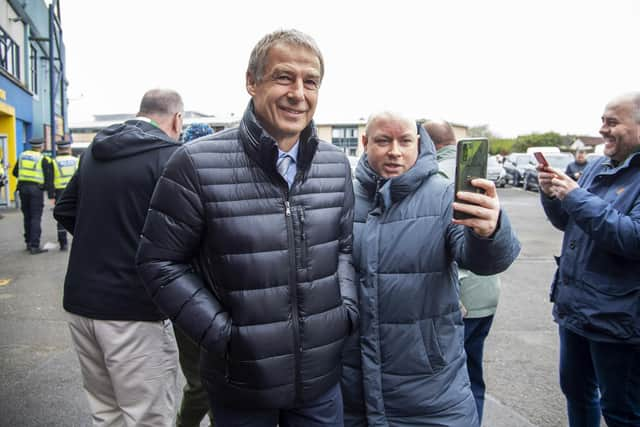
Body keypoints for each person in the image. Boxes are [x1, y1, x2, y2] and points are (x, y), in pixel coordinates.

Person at [136, 29, 358, 427]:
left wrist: (345, 313)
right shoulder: (196, 164)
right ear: (251, 82)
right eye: (284, 77)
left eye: (311, 82)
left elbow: (343, 248)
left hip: (319, 383)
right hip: (240, 383)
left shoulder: (335, 165)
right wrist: (224, 335)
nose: (299, 93)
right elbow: (160, 262)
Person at [341, 112, 520, 427]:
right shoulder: (342, 198)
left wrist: (489, 232)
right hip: (352, 388)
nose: (395, 151)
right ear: (365, 143)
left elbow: (483, 261)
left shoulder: (442, 195)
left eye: (405, 141)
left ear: (419, 144)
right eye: (383, 141)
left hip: (429, 390)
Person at [53, 89, 184, 426]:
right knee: (149, 417)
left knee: (106, 412)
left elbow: (66, 209)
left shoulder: (96, 151)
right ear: (176, 120)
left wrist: (103, 241)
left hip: (81, 303)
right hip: (135, 310)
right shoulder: (170, 156)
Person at [537, 92, 640, 426]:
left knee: (622, 410)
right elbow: (568, 222)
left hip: (618, 319)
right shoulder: (597, 165)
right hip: (576, 310)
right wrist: (552, 194)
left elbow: (632, 238)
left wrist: (575, 196)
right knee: (577, 392)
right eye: (602, 121)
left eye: (612, 122)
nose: (603, 130)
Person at [424, 119, 501, 424]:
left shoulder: (440, 178)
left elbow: (447, 241)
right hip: (486, 294)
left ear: (427, 145)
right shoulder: (473, 170)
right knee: (473, 375)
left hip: (463, 298)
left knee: (454, 382)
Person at [173, 122, 215, 427]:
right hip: (190, 305)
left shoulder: (225, 185)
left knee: (218, 386)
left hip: (223, 303)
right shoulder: (174, 187)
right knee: (201, 385)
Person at [12, 137, 52, 254]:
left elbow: (15, 172)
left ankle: (28, 243)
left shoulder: (22, 155)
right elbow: (48, 178)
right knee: (35, 217)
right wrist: (48, 191)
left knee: (27, 216)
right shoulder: (43, 158)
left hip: (23, 188)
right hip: (36, 190)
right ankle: (35, 246)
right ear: (41, 146)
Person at [50, 139, 79, 251]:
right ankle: (77, 239)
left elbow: (50, 179)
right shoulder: (76, 160)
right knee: (77, 214)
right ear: (69, 148)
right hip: (74, 191)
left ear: (58, 149)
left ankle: (63, 243)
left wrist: (51, 195)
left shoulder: (54, 161)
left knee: (61, 215)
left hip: (60, 191)